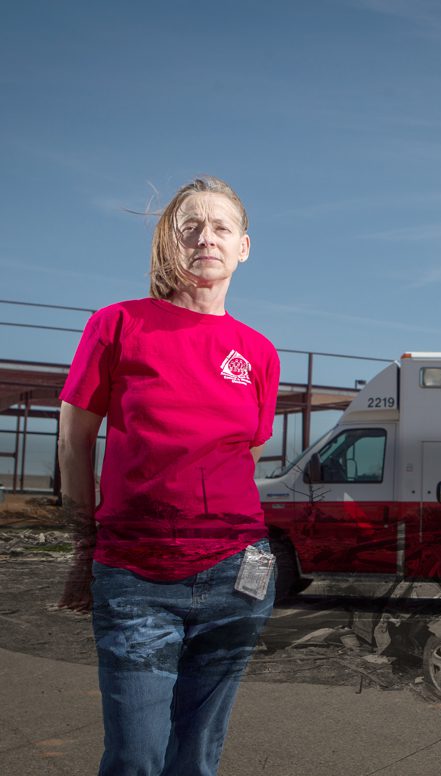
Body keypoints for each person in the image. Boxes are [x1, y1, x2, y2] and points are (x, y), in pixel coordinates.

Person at [58, 176, 280, 776]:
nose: (205, 237)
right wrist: (85, 546)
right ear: (170, 244)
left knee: (197, 755)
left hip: (239, 574)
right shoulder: (118, 325)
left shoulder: (258, 352)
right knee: (135, 755)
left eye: (220, 227)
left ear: (244, 247)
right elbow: (75, 439)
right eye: (190, 227)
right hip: (135, 575)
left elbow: (247, 455)